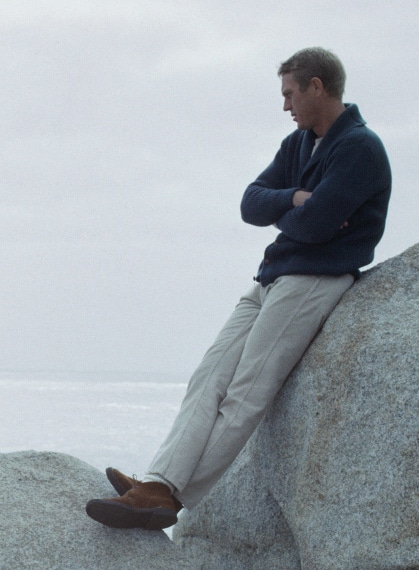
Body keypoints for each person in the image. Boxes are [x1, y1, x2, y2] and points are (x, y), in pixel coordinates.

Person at [85, 47, 392, 530]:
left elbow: (314, 228)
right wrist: (293, 198)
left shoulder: (359, 148)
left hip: (314, 279)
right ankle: (157, 481)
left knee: (246, 393)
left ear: (317, 87)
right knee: (207, 377)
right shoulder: (299, 146)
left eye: (290, 94)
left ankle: (169, 496)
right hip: (272, 277)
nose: (285, 106)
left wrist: (300, 217)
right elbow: (251, 204)